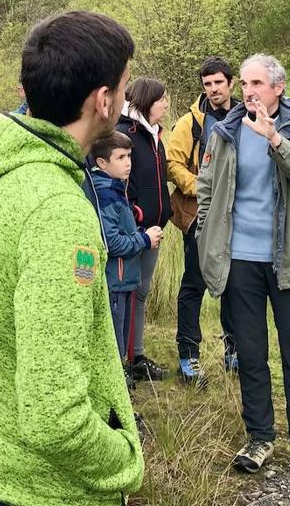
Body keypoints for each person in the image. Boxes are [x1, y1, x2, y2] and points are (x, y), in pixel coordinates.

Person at [0, 11, 144, 506]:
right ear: (103, 101)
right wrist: (123, 462)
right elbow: (54, 415)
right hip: (47, 490)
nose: (124, 101)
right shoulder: (60, 212)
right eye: (124, 88)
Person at [196, 54, 290, 486]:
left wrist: (275, 139)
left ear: (278, 87)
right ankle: (259, 437)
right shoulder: (225, 131)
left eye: (257, 82)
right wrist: (205, 229)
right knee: (251, 355)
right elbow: (207, 188)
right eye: (244, 83)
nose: (248, 91)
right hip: (241, 261)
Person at [167, 56, 239, 386]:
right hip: (199, 215)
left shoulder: (246, 117)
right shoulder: (190, 123)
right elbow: (173, 162)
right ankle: (189, 355)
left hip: (237, 216)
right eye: (207, 84)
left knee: (236, 285)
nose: (213, 90)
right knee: (194, 283)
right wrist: (200, 188)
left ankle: (234, 350)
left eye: (218, 83)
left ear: (230, 83)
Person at [88, 131, 162, 382]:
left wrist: (140, 231)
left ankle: (119, 380)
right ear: (101, 163)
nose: (128, 163)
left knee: (121, 335)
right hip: (114, 278)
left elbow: (121, 230)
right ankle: (115, 385)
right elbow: (111, 242)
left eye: (129, 156)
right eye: (120, 157)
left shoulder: (115, 188)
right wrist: (144, 240)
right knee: (114, 339)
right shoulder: (106, 194)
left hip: (123, 278)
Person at [116, 77, 172, 383]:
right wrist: (136, 214)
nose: (165, 104)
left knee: (142, 292)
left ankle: (136, 356)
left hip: (155, 228)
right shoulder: (126, 133)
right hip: (134, 231)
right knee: (128, 293)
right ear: (148, 100)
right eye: (162, 98)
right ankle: (126, 360)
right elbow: (120, 182)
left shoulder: (154, 135)